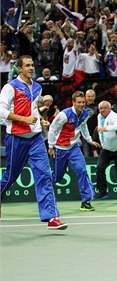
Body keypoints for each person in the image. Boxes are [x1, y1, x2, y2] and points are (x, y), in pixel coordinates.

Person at [0, 55, 67, 229]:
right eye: (27, 65)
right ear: (19, 69)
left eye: (32, 65)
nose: (31, 68)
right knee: (10, 177)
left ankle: (51, 217)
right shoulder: (10, 87)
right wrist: (23, 119)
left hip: (36, 138)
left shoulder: (37, 87)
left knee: (44, 175)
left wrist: (40, 120)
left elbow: (33, 110)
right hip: (16, 139)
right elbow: (1, 111)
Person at [48, 91, 101, 211]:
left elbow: (83, 126)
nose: (81, 104)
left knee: (82, 170)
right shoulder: (64, 115)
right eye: (79, 102)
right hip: (59, 149)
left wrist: (89, 140)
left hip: (74, 148)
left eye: (83, 102)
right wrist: (51, 147)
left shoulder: (85, 113)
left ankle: (86, 201)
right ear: (73, 102)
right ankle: (43, 184)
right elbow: (52, 129)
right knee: (57, 177)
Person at [94, 101, 117, 202]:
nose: (102, 110)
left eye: (105, 108)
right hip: (106, 149)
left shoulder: (114, 116)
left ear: (110, 109)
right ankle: (102, 191)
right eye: (101, 108)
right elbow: (99, 130)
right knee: (100, 168)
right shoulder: (99, 116)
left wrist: (107, 128)